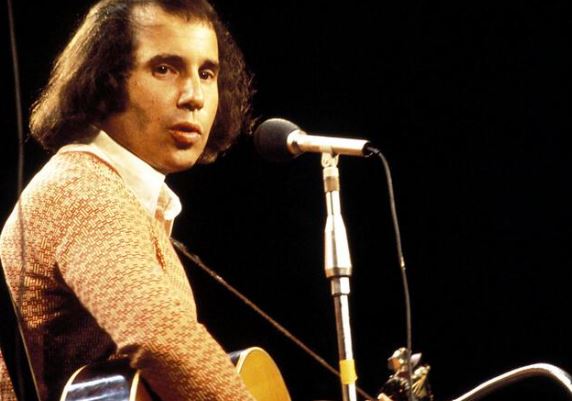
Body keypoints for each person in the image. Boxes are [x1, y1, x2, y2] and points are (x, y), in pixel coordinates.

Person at [0, 0, 256, 400]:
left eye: (207, 74)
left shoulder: (119, 195)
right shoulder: (84, 188)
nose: (194, 96)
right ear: (105, 81)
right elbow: (160, 338)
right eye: (164, 69)